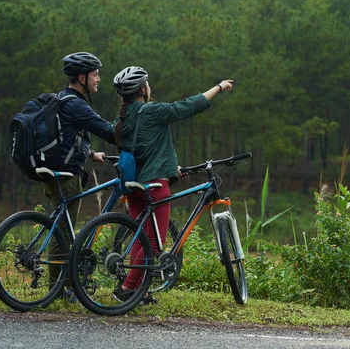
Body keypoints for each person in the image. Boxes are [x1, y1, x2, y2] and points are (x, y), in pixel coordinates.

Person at [111, 65, 233, 304]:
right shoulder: (151, 111)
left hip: (134, 185)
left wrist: (170, 168)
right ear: (142, 88)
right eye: (147, 83)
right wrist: (218, 88)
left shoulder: (122, 120)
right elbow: (187, 106)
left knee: (140, 238)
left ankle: (139, 290)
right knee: (155, 242)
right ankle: (126, 288)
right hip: (154, 186)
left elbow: (144, 149)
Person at [44, 51, 117, 301]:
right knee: (62, 232)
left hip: (58, 172)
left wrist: (91, 153)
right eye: (95, 75)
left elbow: (65, 139)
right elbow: (108, 131)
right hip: (66, 176)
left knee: (61, 229)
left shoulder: (63, 99)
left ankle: (61, 286)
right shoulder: (75, 103)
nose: (99, 79)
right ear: (82, 77)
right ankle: (57, 290)